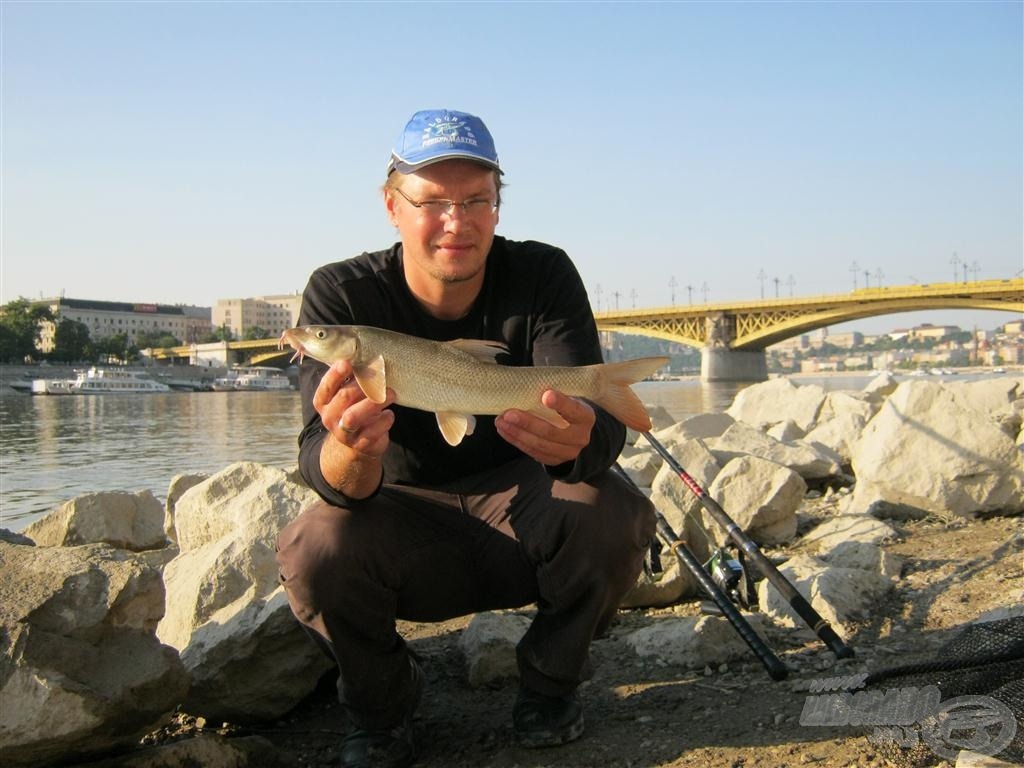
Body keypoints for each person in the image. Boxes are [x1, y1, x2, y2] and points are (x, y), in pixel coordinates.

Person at [276, 108, 657, 768]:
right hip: (399, 524)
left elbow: (599, 450)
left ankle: (548, 684)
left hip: (524, 517)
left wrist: (577, 438)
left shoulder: (543, 275)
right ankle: (382, 709)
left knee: (615, 509)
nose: (456, 221)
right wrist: (351, 449)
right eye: (433, 202)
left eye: (476, 200)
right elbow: (324, 470)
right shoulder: (340, 293)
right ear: (392, 206)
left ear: (498, 207)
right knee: (314, 547)